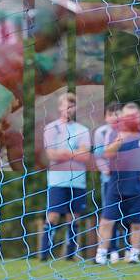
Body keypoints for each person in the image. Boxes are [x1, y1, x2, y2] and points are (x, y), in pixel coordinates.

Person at [93, 103, 140, 265]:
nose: (131, 119)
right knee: (107, 221)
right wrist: (120, 139)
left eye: (134, 116)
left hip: (137, 185)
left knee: (137, 223)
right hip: (115, 184)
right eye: (127, 116)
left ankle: (134, 255)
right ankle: (101, 255)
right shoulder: (113, 133)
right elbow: (106, 154)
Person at [39, 92, 91, 260]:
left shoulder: (82, 130)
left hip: (77, 181)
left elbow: (85, 156)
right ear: (59, 107)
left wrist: (64, 153)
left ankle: (70, 254)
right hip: (57, 180)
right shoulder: (51, 128)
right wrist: (75, 153)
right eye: (65, 106)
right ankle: (44, 254)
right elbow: (51, 154)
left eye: (71, 106)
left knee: (74, 216)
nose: (68, 109)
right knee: (53, 215)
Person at [92, 102, 126, 262]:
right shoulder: (101, 132)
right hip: (109, 180)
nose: (114, 117)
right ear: (106, 117)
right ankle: (111, 249)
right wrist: (105, 170)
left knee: (126, 215)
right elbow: (98, 155)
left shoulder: (128, 131)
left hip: (127, 180)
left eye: (117, 114)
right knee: (109, 216)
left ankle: (127, 249)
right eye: (111, 114)